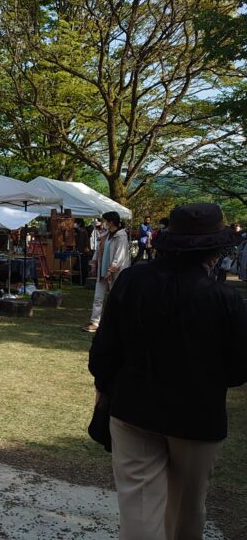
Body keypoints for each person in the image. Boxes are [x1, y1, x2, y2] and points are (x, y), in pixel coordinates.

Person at [89, 203, 247, 540]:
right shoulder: (225, 299)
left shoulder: (132, 281)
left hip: (132, 407)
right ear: (216, 249)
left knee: (139, 510)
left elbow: (104, 350)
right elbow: (237, 371)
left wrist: (104, 387)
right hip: (197, 417)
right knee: (187, 509)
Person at [83, 211, 131, 333]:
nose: (102, 223)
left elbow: (119, 256)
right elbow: (98, 250)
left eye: (104, 221)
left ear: (110, 222)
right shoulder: (105, 234)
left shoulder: (121, 236)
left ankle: (115, 323)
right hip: (102, 270)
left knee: (115, 298)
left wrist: (111, 270)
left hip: (116, 272)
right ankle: (94, 322)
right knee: (98, 298)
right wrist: (93, 264)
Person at [74, 218, 92, 284]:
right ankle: (83, 281)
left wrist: (78, 251)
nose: (74, 224)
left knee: (84, 268)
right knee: (83, 268)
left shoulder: (82, 231)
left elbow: (81, 243)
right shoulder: (81, 231)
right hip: (84, 252)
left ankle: (83, 282)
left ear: (79, 224)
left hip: (84, 253)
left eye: (75, 223)